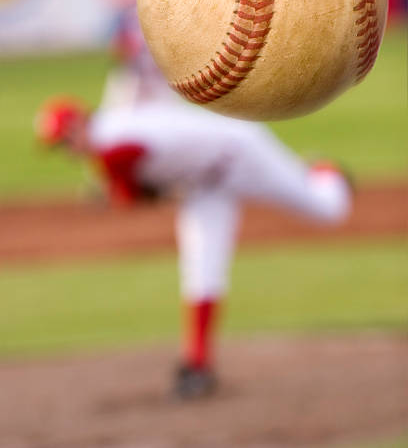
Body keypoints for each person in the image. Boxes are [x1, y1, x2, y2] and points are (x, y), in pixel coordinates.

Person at [35, 96, 352, 399]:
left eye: (64, 141)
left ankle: (325, 171)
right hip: (204, 184)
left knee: (328, 209)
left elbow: (130, 191)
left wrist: (113, 193)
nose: (66, 150)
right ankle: (198, 366)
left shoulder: (111, 141)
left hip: (241, 155)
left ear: (79, 124)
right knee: (201, 269)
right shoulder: (111, 130)